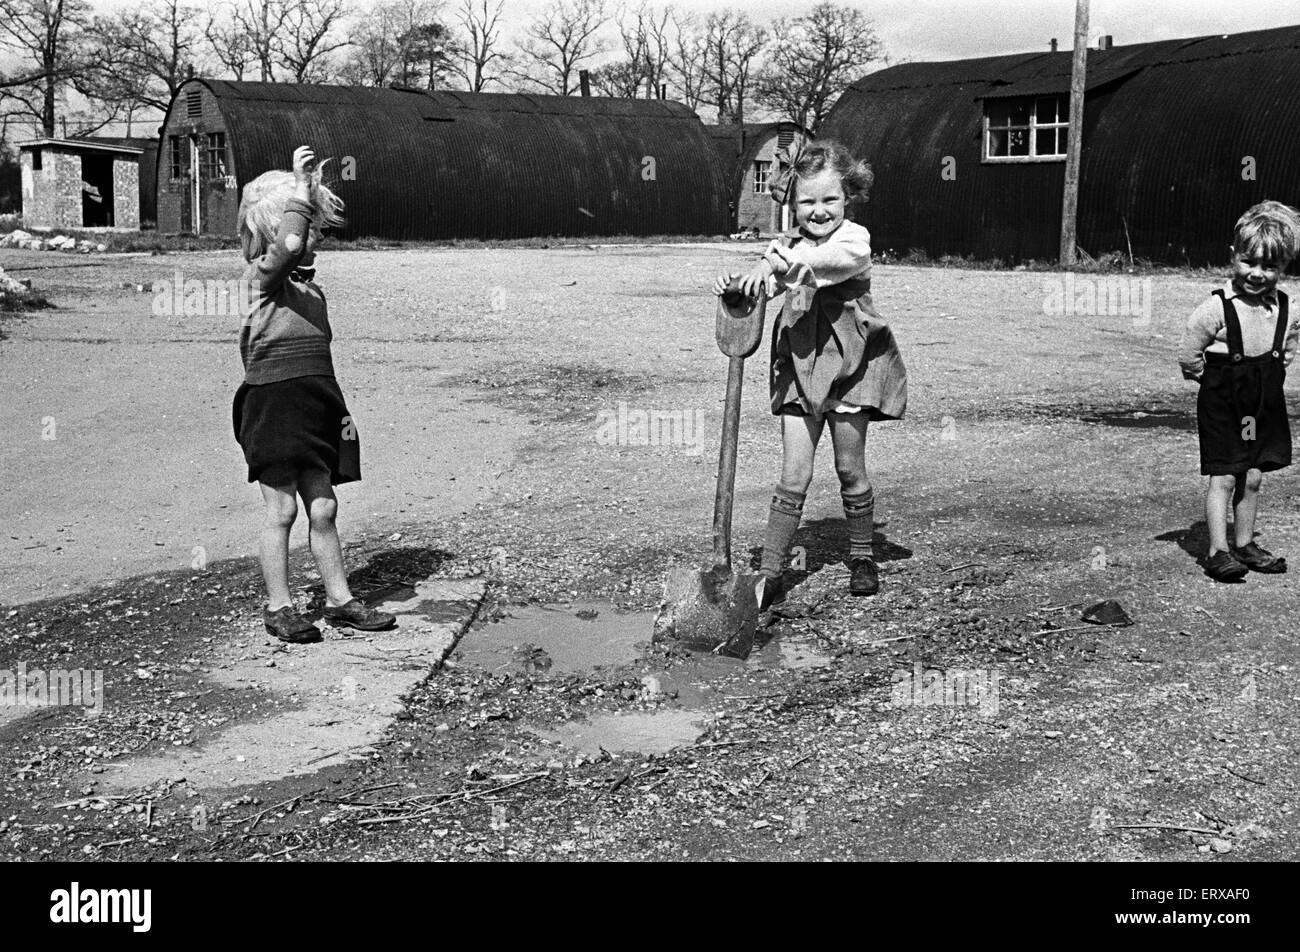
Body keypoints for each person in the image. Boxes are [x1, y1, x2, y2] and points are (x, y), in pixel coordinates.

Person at [712, 140, 907, 607]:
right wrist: (737, 286)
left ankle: (861, 555)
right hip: (800, 366)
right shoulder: (786, 247)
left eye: (829, 200)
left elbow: (825, 263)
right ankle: (771, 571)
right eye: (807, 201)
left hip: (850, 367)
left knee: (848, 467)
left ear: (848, 197)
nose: (819, 211)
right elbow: (768, 286)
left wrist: (776, 260)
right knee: (793, 473)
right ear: (791, 203)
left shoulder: (854, 240)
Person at [233, 145, 395, 640]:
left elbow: (298, 243)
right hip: (272, 404)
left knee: (323, 507)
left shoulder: (311, 290)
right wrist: (302, 191)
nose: (313, 240)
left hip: (315, 400)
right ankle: (279, 606)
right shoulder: (263, 277)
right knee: (281, 509)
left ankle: (339, 599)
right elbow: (290, 243)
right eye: (309, 229)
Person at [1178, 200, 1300, 582]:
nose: (1257, 274)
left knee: (1254, 475)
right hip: (1224, 402)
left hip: (1262, 402)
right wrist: (1208, 380)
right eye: (1249, 262)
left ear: (1284, 268)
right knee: (1225, 477)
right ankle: (1218, 550)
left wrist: (1269, 377)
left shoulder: (1285, 306)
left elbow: (1289, 346)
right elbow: (1189, 352)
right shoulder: (1216, 307)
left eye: (1270, 267)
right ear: (1234, 256)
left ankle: (1245, 544)